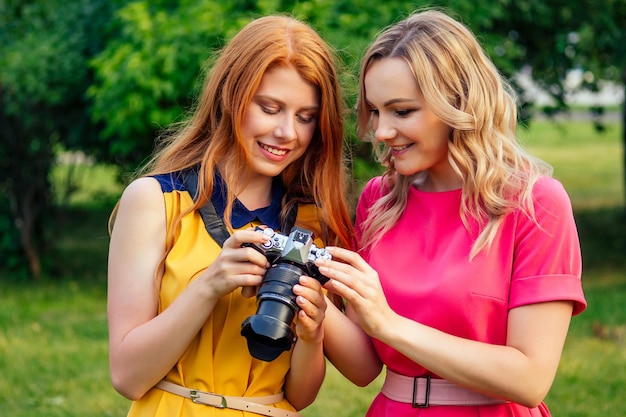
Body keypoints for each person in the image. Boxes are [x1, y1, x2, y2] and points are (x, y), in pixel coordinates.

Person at [319, 9, 587, 417]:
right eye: (375, 111)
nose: (382, 131)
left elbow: (530, 379)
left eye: (402, 111)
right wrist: (311, 300)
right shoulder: (378, 200)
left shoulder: (535, 203)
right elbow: (363, 368)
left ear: (457, 105)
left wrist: (390, 325)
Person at [106, 15, 354, 417]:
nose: (287, 132)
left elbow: (301, 397)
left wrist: (313, 334)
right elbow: (127, 376)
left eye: (306, 117)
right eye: (270, 108)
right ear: (231, 96)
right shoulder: (155, 201)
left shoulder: (309, 222)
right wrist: (209, 286)